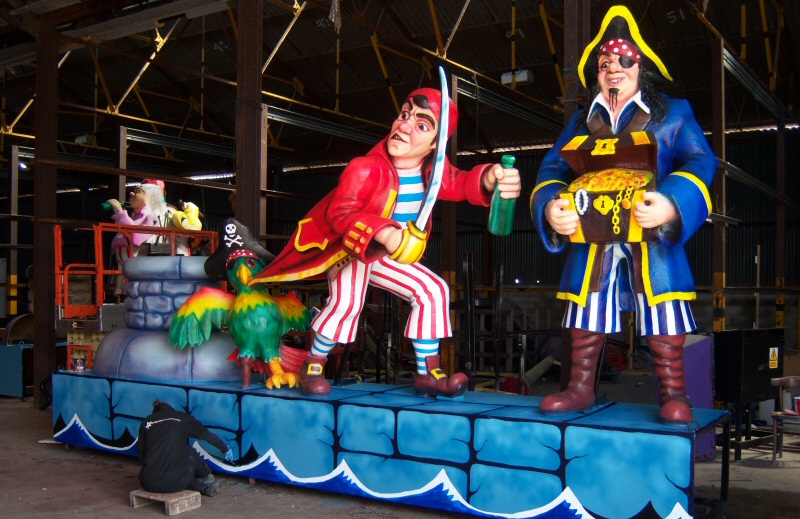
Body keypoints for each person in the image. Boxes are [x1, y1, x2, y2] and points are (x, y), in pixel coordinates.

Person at [252, 84, 520, 397]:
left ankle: (427, 372)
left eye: (421, 125)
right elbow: (342, 213)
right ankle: (313, 363)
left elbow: (459, 183)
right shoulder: (365, 168)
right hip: (352, 250)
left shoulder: (432, 171)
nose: (404, 125)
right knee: (347, 301)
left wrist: (489, 177)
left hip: (389, 255)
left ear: (435, 143)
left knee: (434, 290)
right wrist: (385, 232)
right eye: (404, 115)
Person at [530, 5, 717, 424]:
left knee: (662, 307)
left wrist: (672, 202)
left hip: (650, 233)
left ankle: (673, 392)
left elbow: (700, 161)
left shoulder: (674, 113)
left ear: (641, 66)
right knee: (587, 308)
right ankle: (579, 387)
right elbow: (552, 170)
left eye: (624, 59)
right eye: (605, 62)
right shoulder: (580, 121)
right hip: (593, 236)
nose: (614, 68)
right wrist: (552, 206)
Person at [137, 400, 233, 497]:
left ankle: (205, 488)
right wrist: (225, 448)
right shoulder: (182, 418)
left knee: (176, 477)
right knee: (188, 451)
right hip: (174, 483)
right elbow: (207, 436)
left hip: (147, 483)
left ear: (155, 412)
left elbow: (142, 457)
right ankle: (206, 477)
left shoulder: (147, 422)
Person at [106, 183, 170, 299]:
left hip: (138, 258)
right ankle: (118, 291)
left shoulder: (152, 217)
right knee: (123, 271)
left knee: (132, 270)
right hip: (125, 258)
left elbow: (136, 236)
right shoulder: (133, 217)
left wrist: (119, 212)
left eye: (137, 191)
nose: (131, 193)